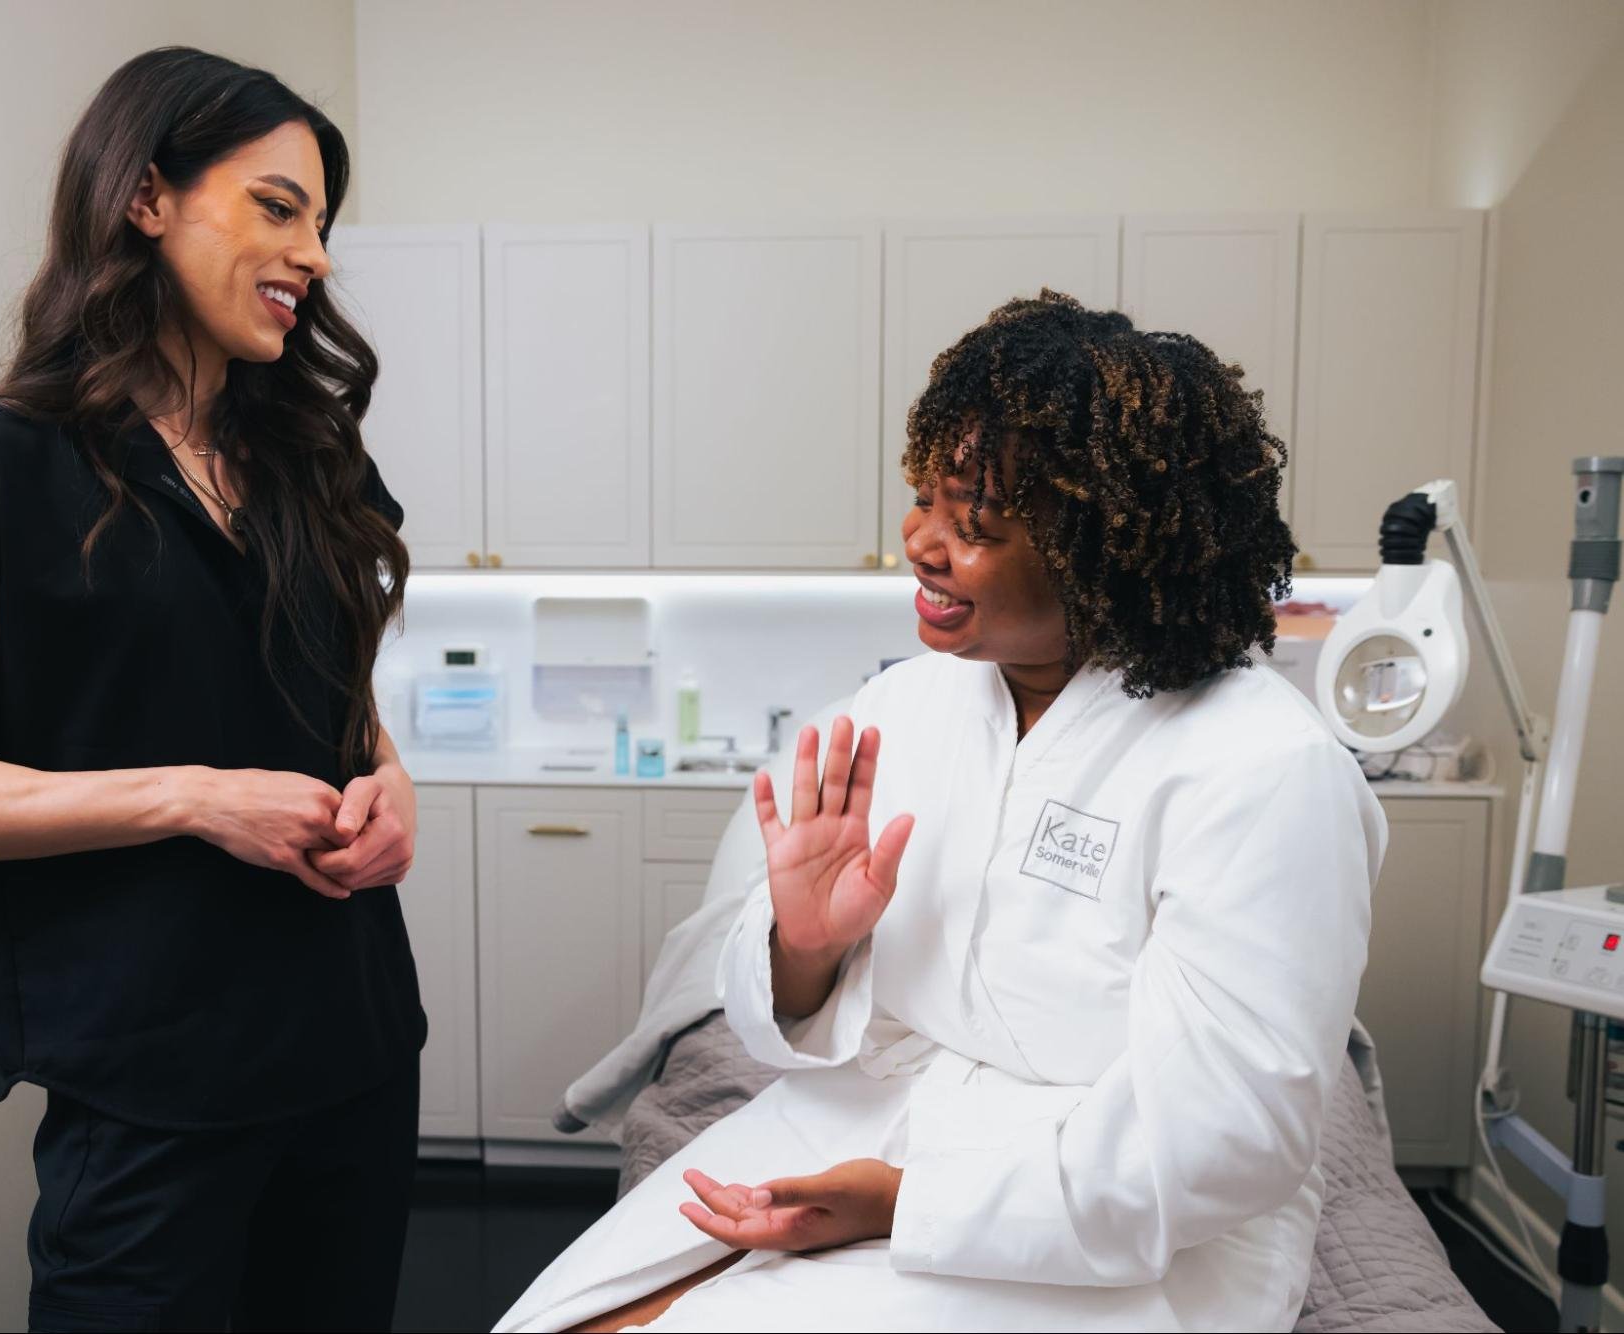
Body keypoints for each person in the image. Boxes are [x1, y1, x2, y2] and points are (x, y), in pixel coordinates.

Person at [498, 291, 1382, 1332]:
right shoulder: (907, 704)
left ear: (1110, 549)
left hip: (1116, 1221)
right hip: (869, 1124)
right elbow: (805, 1014)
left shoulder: (1262, 766)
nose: (920, 541)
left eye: (977, 523)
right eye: (923, 498)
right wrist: (805, 947)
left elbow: (1225, 1137)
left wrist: (906, 1201)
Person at [0, 48, 423, 1332]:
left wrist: (392, 782)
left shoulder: (309, 457)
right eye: (279, 206)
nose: (314, 254)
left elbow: (334, 690)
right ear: (146, 196)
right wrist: (191, 798)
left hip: (358, 1044)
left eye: (323, 221)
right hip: (156, 1085)